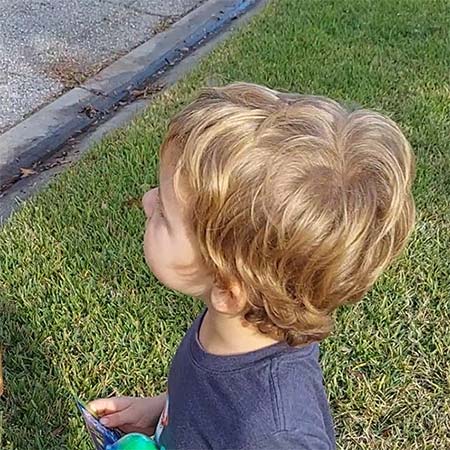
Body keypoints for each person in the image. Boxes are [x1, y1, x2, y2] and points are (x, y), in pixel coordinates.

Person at [89, 83, 415, 449]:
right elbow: (209, 406)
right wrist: (162, 411)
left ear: (228, 289)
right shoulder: (231, 327)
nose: (148, 201)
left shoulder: (276, 433)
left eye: (164, 213)